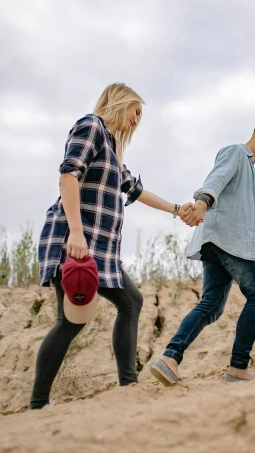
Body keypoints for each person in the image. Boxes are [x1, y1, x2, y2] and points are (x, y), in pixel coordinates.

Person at [30, 83, 194, 409]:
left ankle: (128, 386)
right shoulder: (91, 126)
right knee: (72, 320)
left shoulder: (112, 150)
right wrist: (76, 235)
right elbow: (68, 176)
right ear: (121, 103)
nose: (136, 122)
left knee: (130, 301)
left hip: (101, 248)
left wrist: (177, 209)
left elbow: (135, 190)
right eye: (136, 113)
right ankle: (38, 403)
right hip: (76, 238)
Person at [150, 118, 255, 385]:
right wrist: (202, 203)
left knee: (211, 305)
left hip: (216, 242)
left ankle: (170, 359)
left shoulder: (251, 171)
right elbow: (216, 178)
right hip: (230, 239)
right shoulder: (236, 152)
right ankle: (238, 368)